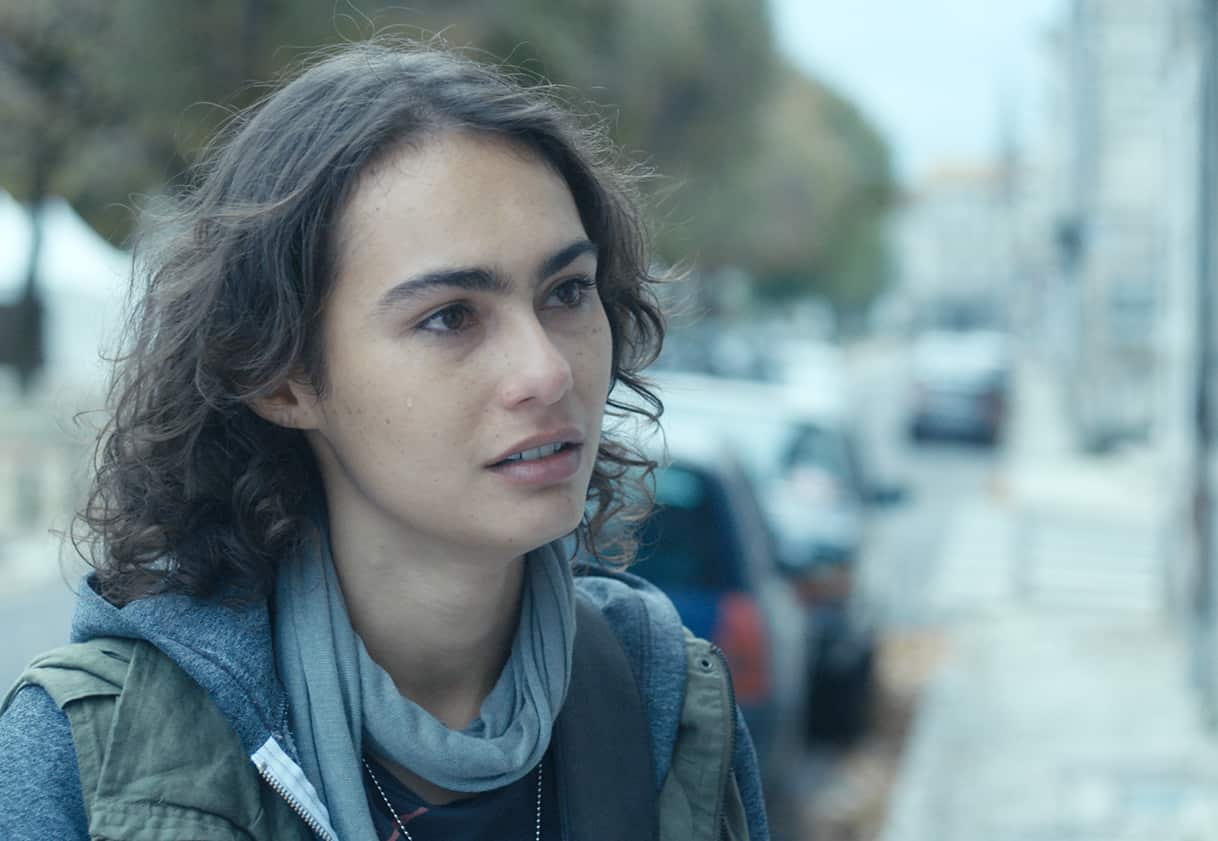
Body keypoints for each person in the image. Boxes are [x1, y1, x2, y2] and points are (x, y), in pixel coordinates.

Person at [0, 39, 768, 841]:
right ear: (282, 378)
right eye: (449, 316)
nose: (545, 369)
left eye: (567, 291)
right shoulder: (83, 755)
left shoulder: (668, 698)